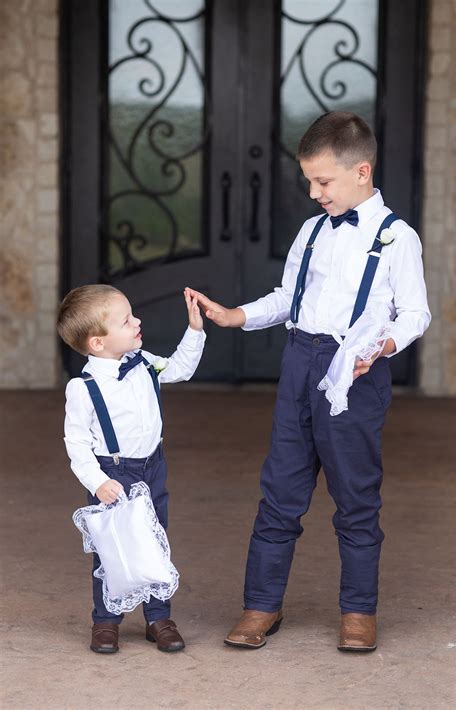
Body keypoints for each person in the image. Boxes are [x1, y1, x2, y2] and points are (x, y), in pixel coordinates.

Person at [186, 111, 430, 652]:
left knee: (356, 496)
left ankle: (359, 611)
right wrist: (236, 316)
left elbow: (414, 314)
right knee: (280, 490)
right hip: (300, 362)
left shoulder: (397, 239)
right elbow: (287, 300)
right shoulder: (312, 230)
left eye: (323, 182)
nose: (315, 193)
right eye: (310, 182)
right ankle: (260, 605)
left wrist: (382, 346)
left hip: (356, 372)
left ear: (361, 171)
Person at [57, 284, 205, 654]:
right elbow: (76, 444)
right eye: (126, 320)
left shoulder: (144, 363)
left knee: (156, 541)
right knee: (113, 548)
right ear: (97, 343)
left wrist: (195, 330)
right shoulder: (83, 388)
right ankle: (105, 621)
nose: (137, 321)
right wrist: (98, 481)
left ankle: (159, 618)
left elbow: (182, 369)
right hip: (113, 473)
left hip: (153, 465)